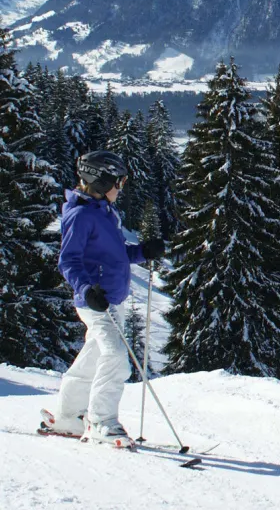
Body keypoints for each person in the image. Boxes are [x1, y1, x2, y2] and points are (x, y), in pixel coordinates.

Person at [44, 151, 165, 447]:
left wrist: (143, 251)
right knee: (115, 356)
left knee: (93, 357)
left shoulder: (105, 212)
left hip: (112, 299)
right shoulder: (81, 215)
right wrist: (86, 290)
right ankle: (101, 421)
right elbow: (68, 260)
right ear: (101, 180)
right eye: (118, 182)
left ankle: (68, 416)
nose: (121, 188)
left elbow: (115, 253)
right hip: (96, 301)